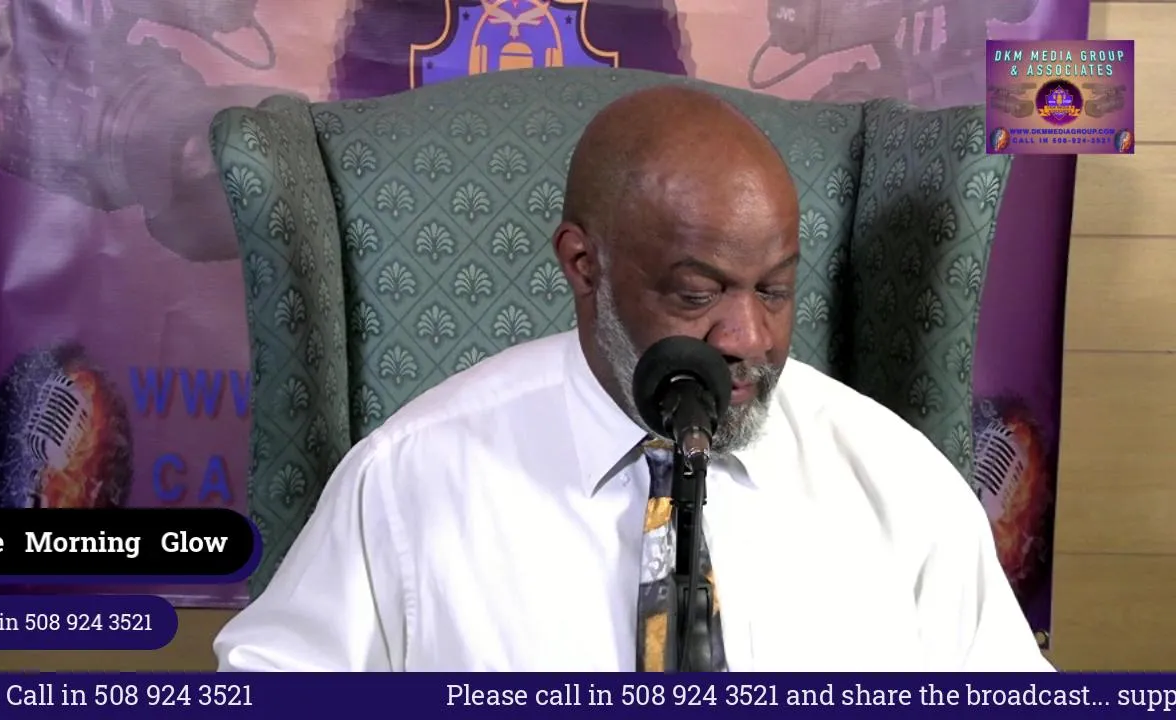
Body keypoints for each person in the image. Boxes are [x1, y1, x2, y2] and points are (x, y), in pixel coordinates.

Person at [213, 86, 1054, 672]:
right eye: (697, 294)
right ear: (584, 265)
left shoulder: (896, 480)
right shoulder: (411, 479)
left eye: (774, 290)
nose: (748, 338)